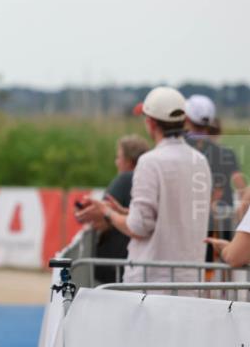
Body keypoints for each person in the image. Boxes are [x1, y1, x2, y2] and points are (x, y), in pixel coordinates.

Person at [95, 87, 211, 284]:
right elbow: (171, 216)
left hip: (152, 283)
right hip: (190, 278)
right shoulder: (200, 161)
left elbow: (139, 226)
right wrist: (125, 212)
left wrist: (108, 214)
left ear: (150, 123)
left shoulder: (150, 162)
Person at [75, 134, 150, 284]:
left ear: (128, 161)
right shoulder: (149, 179)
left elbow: (99, 219)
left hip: (115, 265)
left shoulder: (125, 179)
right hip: (137, 263)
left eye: (118, 157)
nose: (116, 162)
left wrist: (87, 212)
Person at [183, 94, 246, 241]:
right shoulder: (226, 152)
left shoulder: (180, 151)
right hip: (223, 220)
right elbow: (240, 184)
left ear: (187, 118)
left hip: (191, 221)